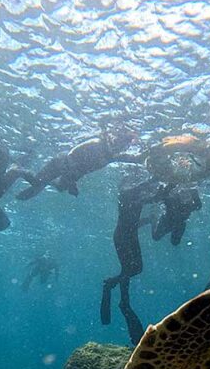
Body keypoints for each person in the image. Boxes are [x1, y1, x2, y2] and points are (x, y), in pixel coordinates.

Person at [100, 174, 161, 345]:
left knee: (136, 269)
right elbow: (137, 190)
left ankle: (114, 287)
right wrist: (154, 179)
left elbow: (136, 217)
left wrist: (168, 188)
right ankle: (119, 298)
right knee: (128, 271)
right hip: (122, 237)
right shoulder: (125, 193)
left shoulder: (136, 196)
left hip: (130, 236)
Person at [15, 126, 137, 200]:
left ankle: (43, 182)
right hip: (61, 163)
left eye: (124, 147)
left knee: (60, 187)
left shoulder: (108, 156)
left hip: (70, 172)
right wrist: (72, 182)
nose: (121, 149)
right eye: (121, 145)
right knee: (36, 182)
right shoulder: (97, 143)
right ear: (115, 139)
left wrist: (72, 181)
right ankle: (18, 170)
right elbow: (72, 155)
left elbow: (84, 169)